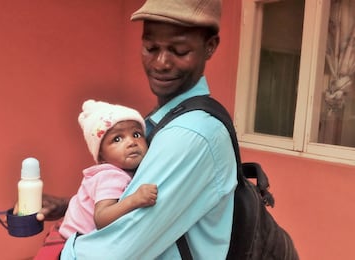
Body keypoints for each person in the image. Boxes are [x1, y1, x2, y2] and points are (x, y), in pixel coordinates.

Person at [37, 0, 238, 258]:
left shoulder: (189, 135)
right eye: (150, 47)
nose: (161, 63)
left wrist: (56, 251)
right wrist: (77, 207)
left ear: (210, 47)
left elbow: (114, 251)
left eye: (179, 50)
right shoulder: (164, 119)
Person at [59, 99, 158, 239]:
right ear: (101, 155)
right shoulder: (111, 175)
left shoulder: (120, 172)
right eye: (117, 139)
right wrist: (135, 199)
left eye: (136, 134)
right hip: (74, 243)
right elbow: (101, 218)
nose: (132, 142)